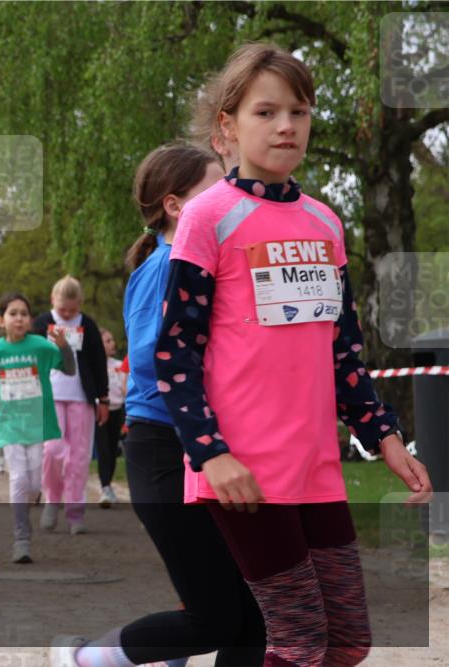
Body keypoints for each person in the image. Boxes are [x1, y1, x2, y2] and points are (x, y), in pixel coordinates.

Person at [154, 45, 431, 666]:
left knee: (349, 644)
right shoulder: (207, 218)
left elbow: (343, 351)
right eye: (267, 111)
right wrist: (211, 454)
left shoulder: (326, 224)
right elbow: (174, 355)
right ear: (228, 126)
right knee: (299, 642)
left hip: (315, 467)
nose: (286, 126)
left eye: (300, 112)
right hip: (243, 471)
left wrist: (385, 437)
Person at [52, 142, 265, 667]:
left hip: (207, 448)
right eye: (218, 188)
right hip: (166, 451)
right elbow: (152, 357)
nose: (231, 198)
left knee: (254, 617)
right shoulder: (167, 264)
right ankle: (85, 661)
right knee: (215, 620)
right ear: (175, 206)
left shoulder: (200, 262)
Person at [0, 293, 75, 564]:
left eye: (24, 314)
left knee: (32, 483)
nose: (19, 318)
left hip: (38, 423)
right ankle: (21, 539)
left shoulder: (41, 346)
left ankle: (33, 497)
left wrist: (65, 347)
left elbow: (70, 369)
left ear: (30, 320)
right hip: (9, 423)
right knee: (18, 479)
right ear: (1, 320)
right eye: (13, 313)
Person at [33, 276, 109, 535]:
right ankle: (52, 500)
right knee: (52, 451)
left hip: (81, 397)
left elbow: (98, 362)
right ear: (53, 300)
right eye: (63, 309)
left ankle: (75, 512)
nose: (67, 314)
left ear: (80, 304)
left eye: (72, 309)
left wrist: (104, 398)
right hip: (50, 395)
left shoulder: (87, 324)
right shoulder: (42, 323)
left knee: (78, 458)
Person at [96, 329, 127, 507]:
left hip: (118, 411)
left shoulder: (119, 364)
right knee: (103, 450)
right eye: (107, 341)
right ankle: (105, 487)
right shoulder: (95, 364)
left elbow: (124, 386)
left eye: (112, 340)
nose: (112, 344)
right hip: (100, 411)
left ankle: (107, 485)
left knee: (113, 450)